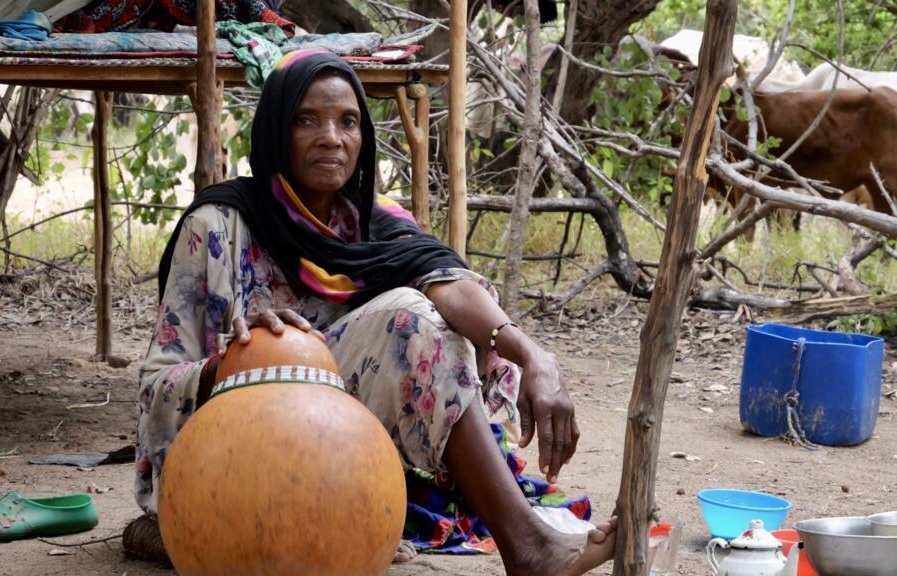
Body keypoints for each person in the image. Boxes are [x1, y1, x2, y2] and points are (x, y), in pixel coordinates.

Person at [128, 48, 615, 575]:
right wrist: (236, 362)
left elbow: (447, 285)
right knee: (403, 317)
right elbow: (156, 386)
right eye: (306, 120)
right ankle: (529, 547)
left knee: (417, 317)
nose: (331, 137)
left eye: (348, 121)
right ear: (274, 130)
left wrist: (534, 356)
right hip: (230, 458)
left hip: (336, 457)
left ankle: (509, 542)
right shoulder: (218, 227)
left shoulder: (373, 225)